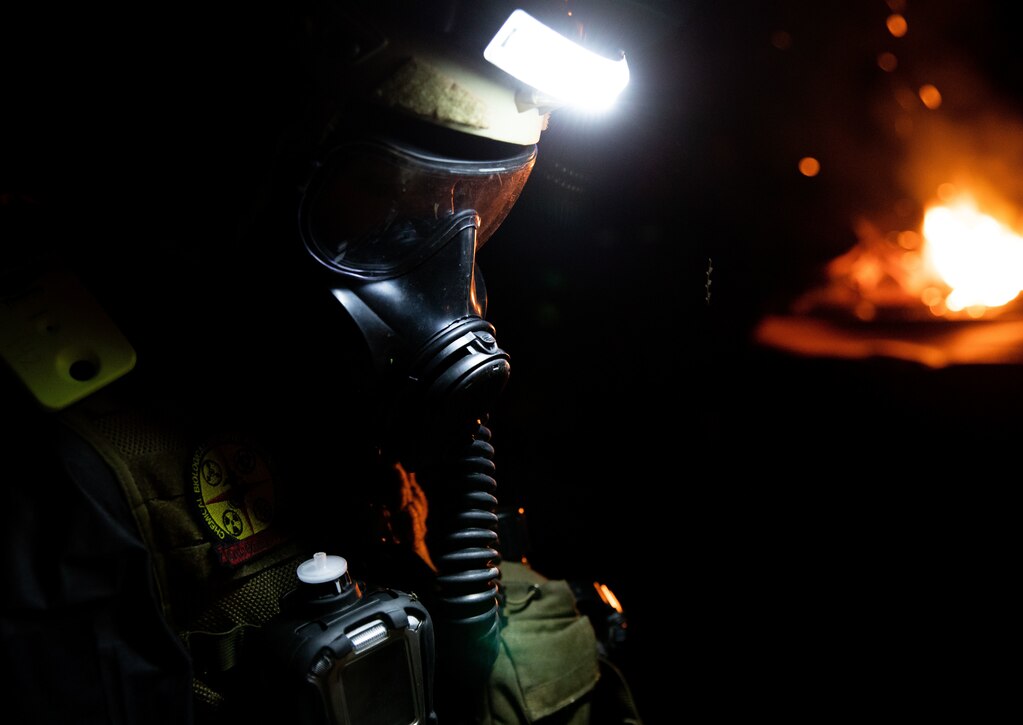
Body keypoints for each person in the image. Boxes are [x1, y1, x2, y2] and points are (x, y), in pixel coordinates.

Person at [0, 1, 641, 723]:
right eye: (393, 200)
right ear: (258, 170)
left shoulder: (363, 397)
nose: (445, 270)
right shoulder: (85, 465)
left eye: (476, 207)